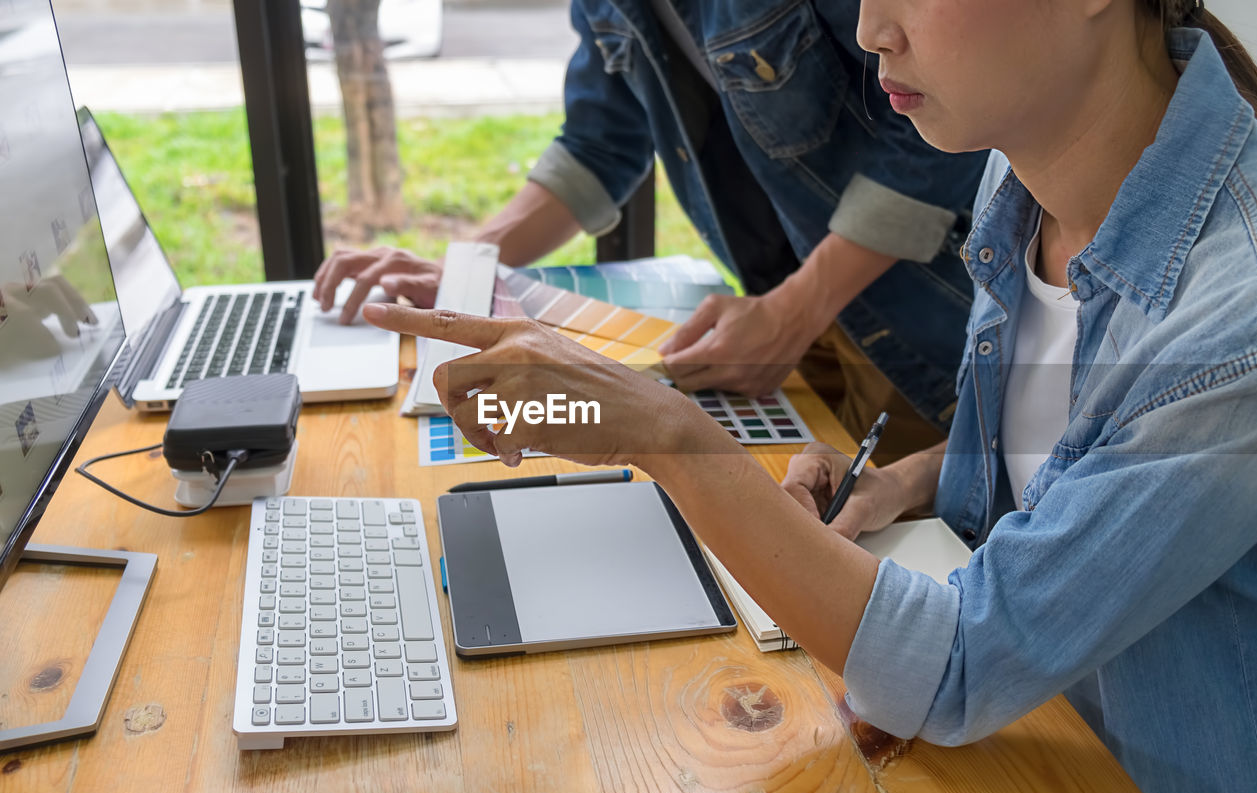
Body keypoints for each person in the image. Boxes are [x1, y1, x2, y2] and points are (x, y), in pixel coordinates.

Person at [363, 0, 1257, 793]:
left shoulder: (1247, 317)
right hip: (1022, 746)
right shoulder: (1021, 179)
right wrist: (909, 481)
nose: (870, 28)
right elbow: (1081, 457)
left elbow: (958, 666)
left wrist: (667, 433)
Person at [312, 1, 990, 462]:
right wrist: (465, 269)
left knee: (917, 557)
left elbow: (944, 122)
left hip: (920, 324)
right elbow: (599, 143)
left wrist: (798, 307)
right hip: (764, 313)